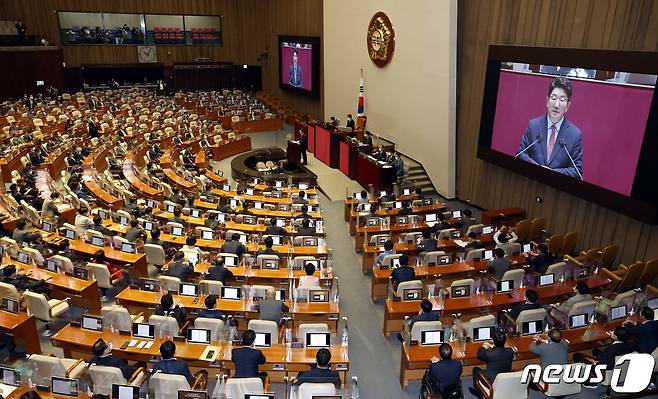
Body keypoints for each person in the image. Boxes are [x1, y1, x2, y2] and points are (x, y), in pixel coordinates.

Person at [516, 77, 583, 179]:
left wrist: (551, 174)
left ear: (567, 106)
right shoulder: (533, 126)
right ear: (547, 101)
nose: (556, 105)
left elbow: (577, 171)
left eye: (562, 100)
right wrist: (539, 169)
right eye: (554, 98)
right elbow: (520, 154)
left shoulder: (575, 135)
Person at [469, 331, 514, 398]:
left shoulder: (489, 354)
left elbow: (479, 355)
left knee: (475, 369)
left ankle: (479, 392)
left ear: (493, 340)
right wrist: (492, 346)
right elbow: (501, 350)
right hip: (505, 379)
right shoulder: (510, 351)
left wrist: (483, 347)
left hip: (491, 382)